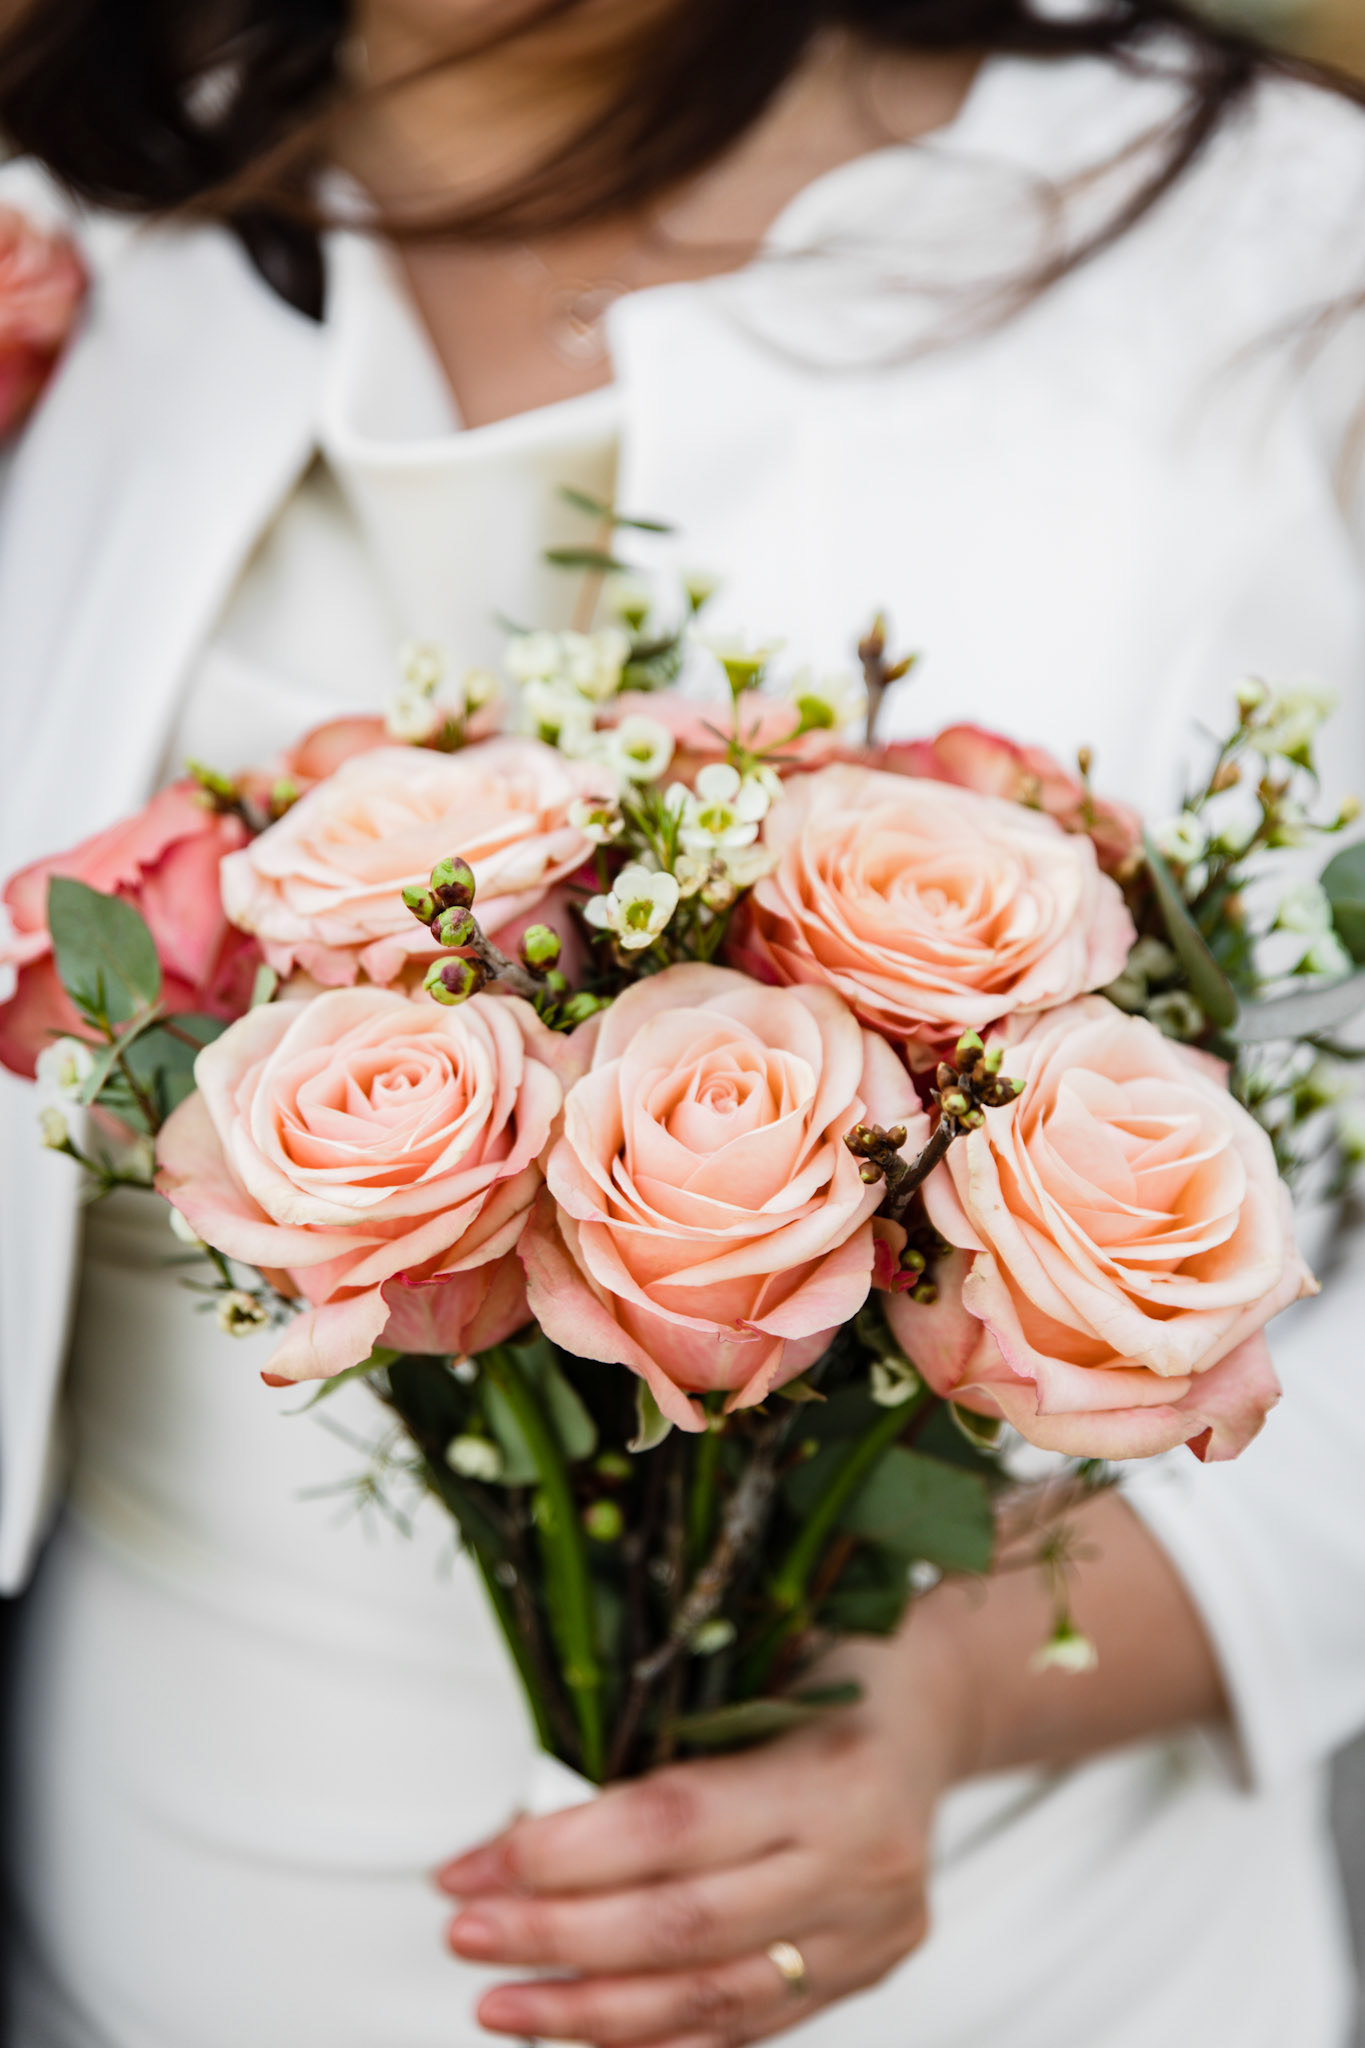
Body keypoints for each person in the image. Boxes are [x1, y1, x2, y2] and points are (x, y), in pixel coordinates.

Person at [2, 4, 1365, 2044]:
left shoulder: (1271, 253)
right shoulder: (84, 216)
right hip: (145, 1925)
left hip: (1038, 1977)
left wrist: (959, 1689)